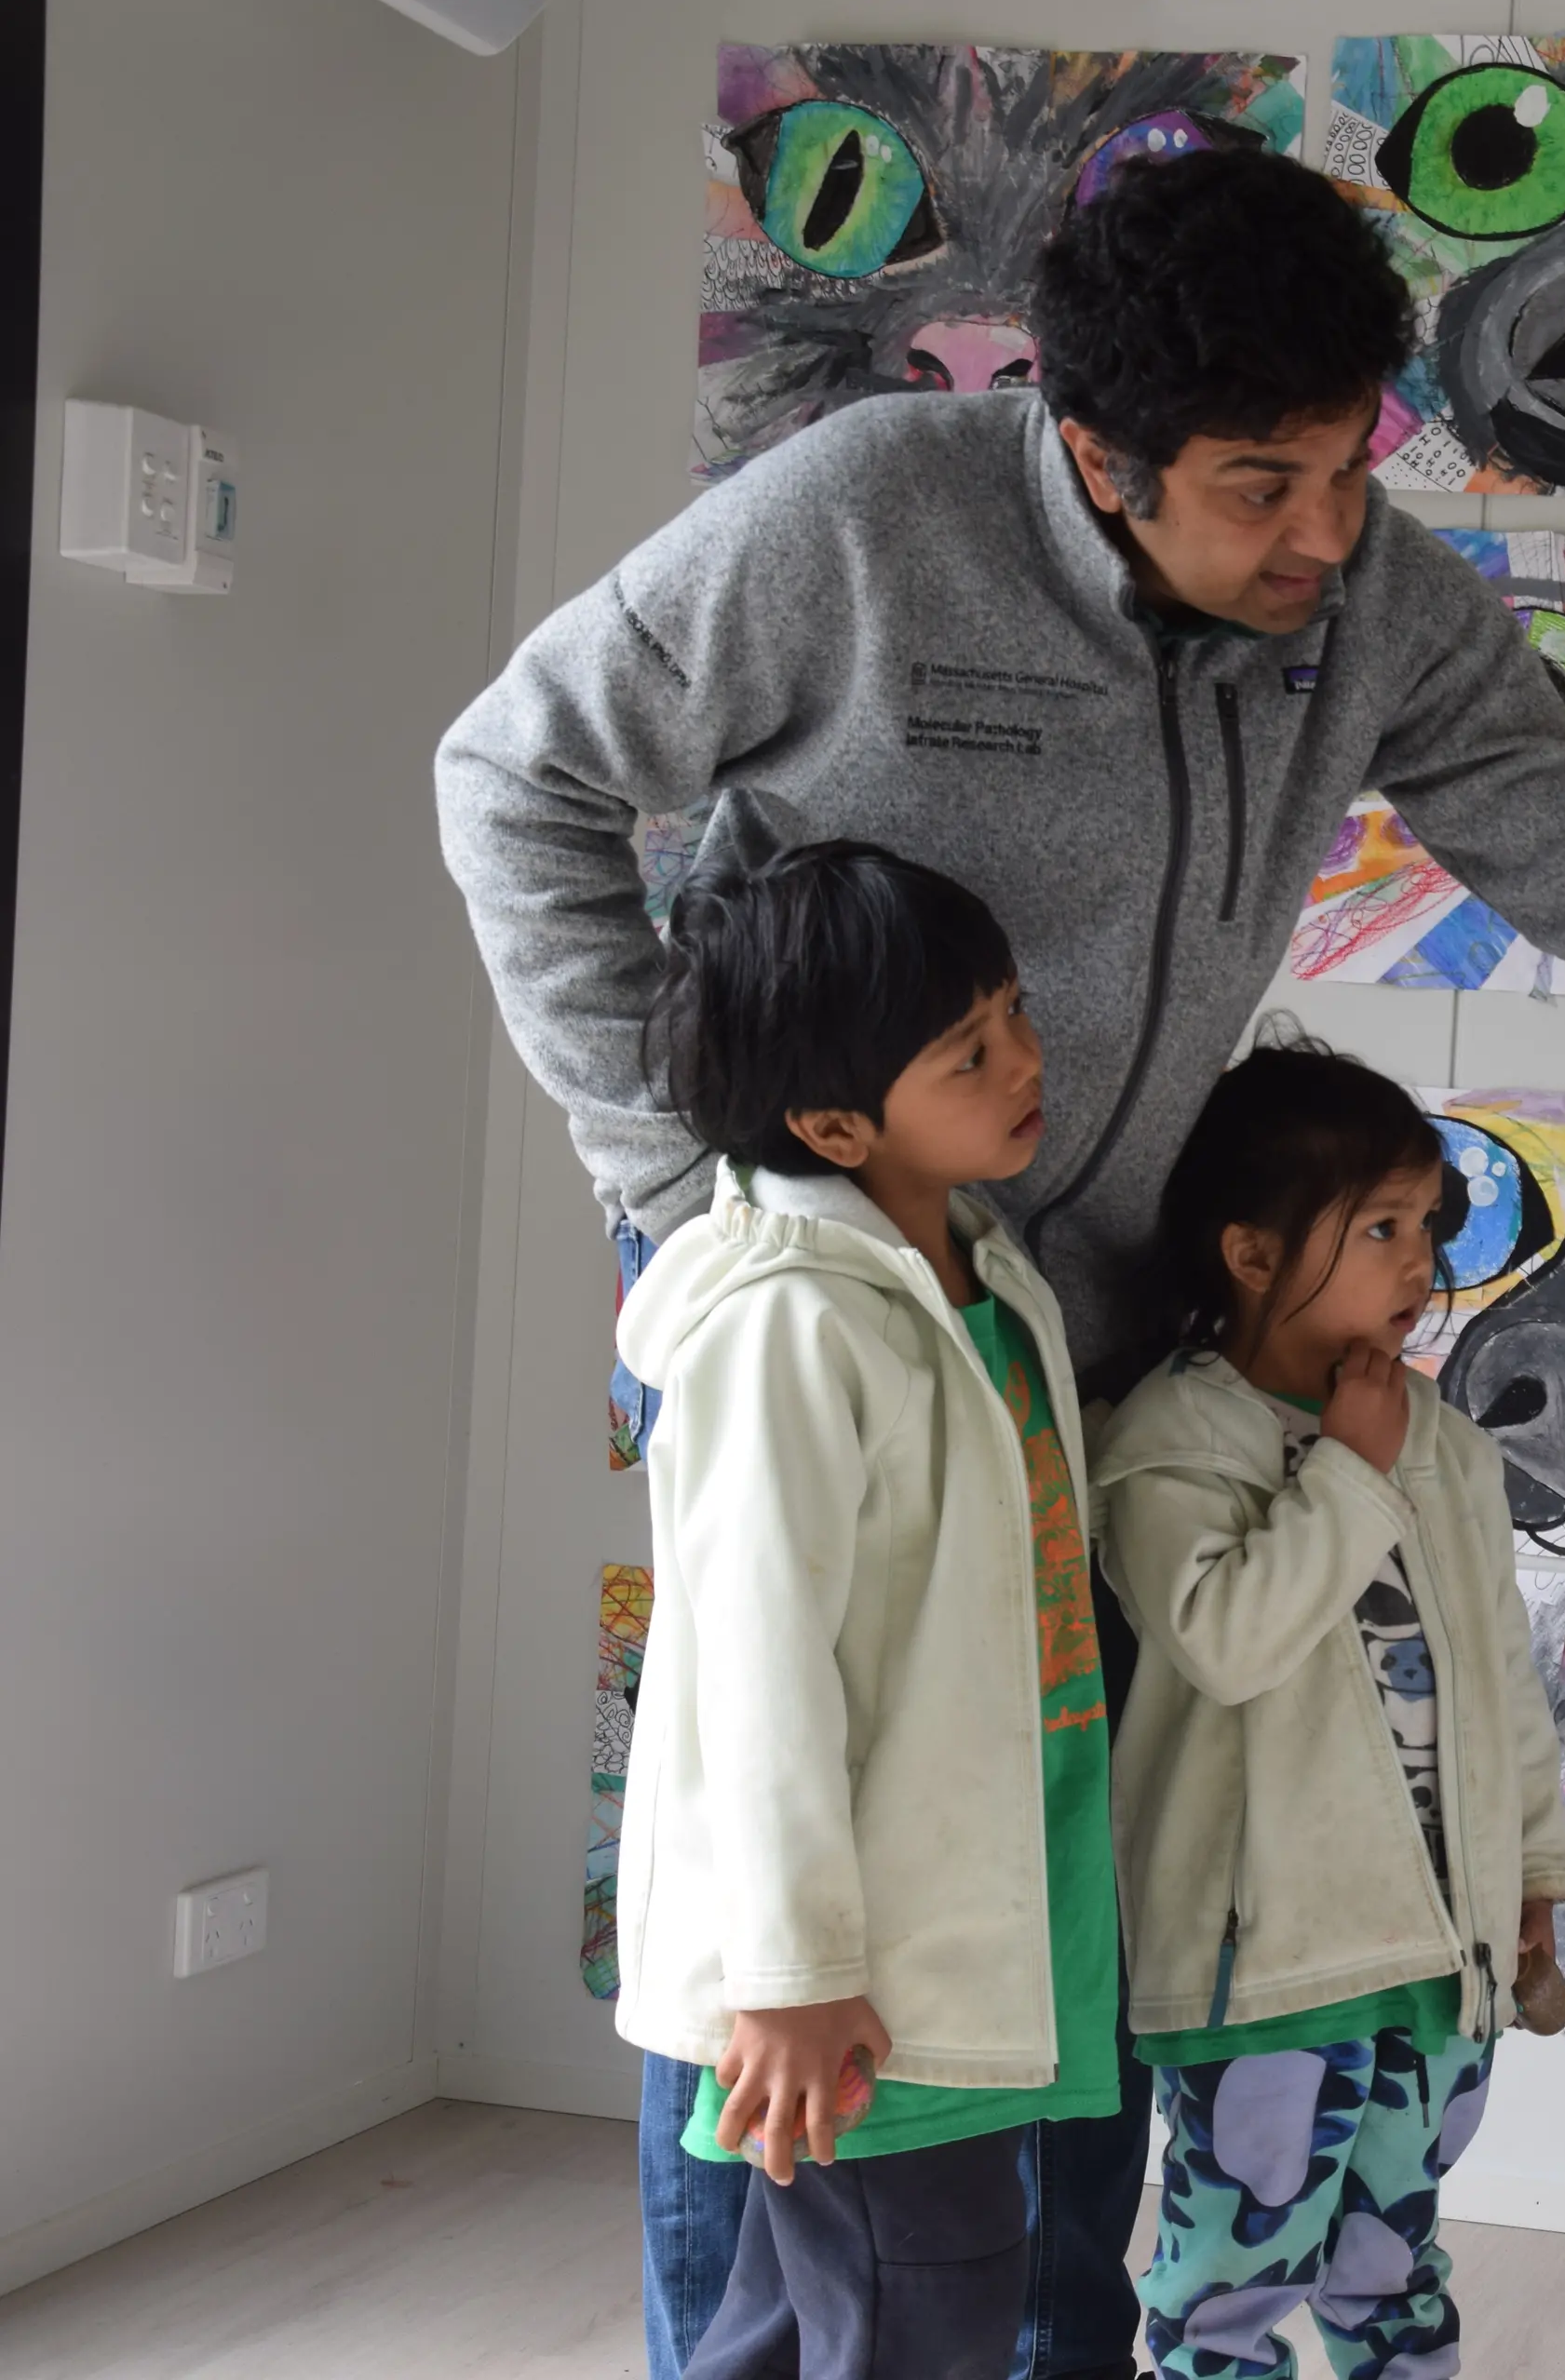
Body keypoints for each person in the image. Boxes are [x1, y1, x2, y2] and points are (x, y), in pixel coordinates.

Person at [435, 146, 1565, 2378]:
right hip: (847, 1345)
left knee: (1077, 1947)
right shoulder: (862, 521)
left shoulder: (1369, 605)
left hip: (1112, 1380)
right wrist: (686, 1198)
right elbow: (516, 779)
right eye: (1263, 485)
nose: (1326, 537)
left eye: (1351, 466)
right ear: (1092, 449)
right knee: (787, 1931)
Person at [611, 839, 1121, 2380]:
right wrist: (793, 1971)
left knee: (810, 2321)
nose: (1026, 1061)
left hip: (968, 1909)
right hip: (858, 1971)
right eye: (969, 1052)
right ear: (834, 1123)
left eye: (1013, 1013)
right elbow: (753, 1682)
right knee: (921, 2311)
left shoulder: (988, 1273)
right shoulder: (785, 1331)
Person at [1090, 1041, 1565, 2379]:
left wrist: (1531, 1870)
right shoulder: (1173, 1440)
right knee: (1228, 2296)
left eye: (1428, 1225)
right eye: (1380, 1227)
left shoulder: (1445, 1440)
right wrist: (1349, 1475)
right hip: (1271, 1969)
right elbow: (1229, 1643)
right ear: (1251, 1254)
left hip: (1436, 1959)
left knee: (1395, 2275)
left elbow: (1498, 1679)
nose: (1420, 1262)